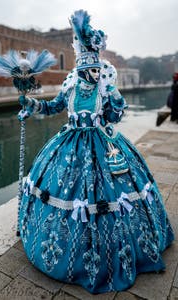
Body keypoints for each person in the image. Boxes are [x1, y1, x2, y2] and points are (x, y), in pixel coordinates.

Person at [18, 10, 174, 294]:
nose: (89, 75)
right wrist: (33, 106)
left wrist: (114, 94)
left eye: (93, 71)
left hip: (104, 145)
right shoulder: (71, 85)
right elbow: (54, 107)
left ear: (98, 67)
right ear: (78, 70)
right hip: (70, 146)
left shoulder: (104, 87)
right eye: (85, 72)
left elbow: (114, 117)